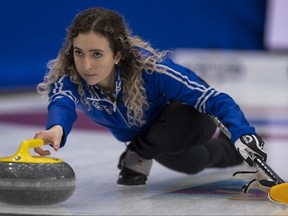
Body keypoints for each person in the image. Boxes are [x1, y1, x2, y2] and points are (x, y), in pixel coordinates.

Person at [34, 7, 267, 186]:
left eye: (97, 54)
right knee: (193, 164)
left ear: (117, 54)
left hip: (189, 118)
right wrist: (56, 129)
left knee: (181, 121)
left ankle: (139, 152)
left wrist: (243, 133)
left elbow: (213, 98)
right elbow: (61, 103)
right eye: (79, 53)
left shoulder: (152, 70)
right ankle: (231, 153)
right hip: (148, 135)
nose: (86, 65)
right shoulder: (71, 77)